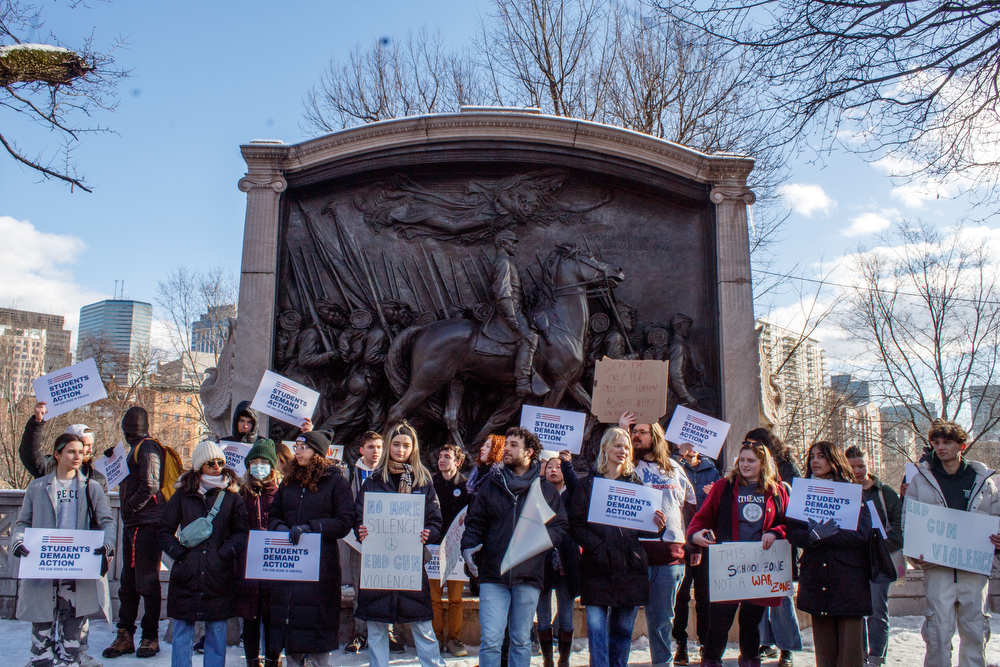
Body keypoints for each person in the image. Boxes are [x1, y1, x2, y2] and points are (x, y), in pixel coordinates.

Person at [461, 427, 569, 667]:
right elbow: (475, 522)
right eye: (506, 444)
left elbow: (560, 526)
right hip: (493, 575)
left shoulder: (545, 490)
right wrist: (468, 547)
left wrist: (540, 540)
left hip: (528, 576)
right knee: (490, 641)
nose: (506, 449)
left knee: (520, 641)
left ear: (529, 452)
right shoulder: (491, 486)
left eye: (513, 445)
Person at [13, 433, 116, 667]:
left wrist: (106, 546)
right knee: (41, 644)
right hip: (43, 571)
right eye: (71, 451)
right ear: (57, 455)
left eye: (80, 452)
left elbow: (108, 522)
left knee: (71, 643)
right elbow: (22, 523)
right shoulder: (37, 487)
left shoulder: (92, 488)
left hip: (76, 572)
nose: (77, 456)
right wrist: (19, 542)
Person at [906, 420, 1000, 667]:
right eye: (936, 443)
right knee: (937, 630)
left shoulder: (984, 481)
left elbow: (996, 519)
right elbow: (910, 521)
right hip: (937, 568)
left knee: (976, 628)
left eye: (947, 442)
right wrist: (916, 554)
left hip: (974, 569)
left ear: (962, 446)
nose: (940, 447)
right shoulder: (920, 480)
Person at [570, 427, 666, 667]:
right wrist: (598, 547)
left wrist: (658, 525)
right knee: (597, 632)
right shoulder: (587, 485)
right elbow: (576, 523)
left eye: (626, 447)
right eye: (618, 446)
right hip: (597, 567)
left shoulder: (636, 484)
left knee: (623, 632)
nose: (623, 451)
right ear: (605, 448)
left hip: (629, 568)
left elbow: (642, 528)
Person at [689, 440, 788, 667]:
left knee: (750, 623)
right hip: (728, 567)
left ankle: (751, 661)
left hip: (760, 568)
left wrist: (775, 531)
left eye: (751, 461)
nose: (744, 465)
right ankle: (711, 661)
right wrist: (695, 535)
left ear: (763, 464)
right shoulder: (723, 487)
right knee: (719, 623)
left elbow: (788, 524)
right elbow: (701, 519)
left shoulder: (776, 491)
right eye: (741, 460)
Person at [354, 422, 446, 667]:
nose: (400, 449)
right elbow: (358, 517)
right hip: (379, 566)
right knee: (376, 629)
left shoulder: (422, 482)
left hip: (411, 565)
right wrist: (360, 530)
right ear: (388, 447)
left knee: (423, 626)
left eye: (406, 445)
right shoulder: (372, 481)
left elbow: (435, 519)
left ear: (413, 448)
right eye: (396, 444)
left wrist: (430, 533)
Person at [268, 430, 355, 667]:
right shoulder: (289, 481)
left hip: (321, 566)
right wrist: (279, 528)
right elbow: (274, 514)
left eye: (303, 447)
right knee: (292, 630)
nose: (297, 452)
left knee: (317, 628)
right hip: (290, 564)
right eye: (296, 447)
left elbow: (344, 522)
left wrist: (311, 528)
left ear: (317, 452)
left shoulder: (335, 481)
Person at [158, 441, 249, 667]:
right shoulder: (182, 495)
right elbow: (164, 530)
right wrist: (179, 555)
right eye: (211, 462)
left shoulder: (232, 496)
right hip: (187, 573)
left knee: (217, 632)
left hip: (218, 574)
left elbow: (241, 532)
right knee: (182, 630)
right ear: (199, 466)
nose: (217, 466)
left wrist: (224, 555)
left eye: (220, 461)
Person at [785, 441, 872, 667]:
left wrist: (827, 535)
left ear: (833, 459)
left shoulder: (852, 491)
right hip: (816, 576)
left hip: (848, 579)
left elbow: (862, 533)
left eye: (821, 456)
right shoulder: (802, 492)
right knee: (824, 651)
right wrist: (812, 536)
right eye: (812, 456)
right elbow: (793, 532)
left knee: (850, 653)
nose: (814, 460)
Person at [618, 413, 694, 667]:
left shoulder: (675, 469)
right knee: (621, 620)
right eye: (633, 432)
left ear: (656, 436)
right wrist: (620, 431)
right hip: (632, 553)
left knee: (662, 620)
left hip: (670, 556)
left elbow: (690, 508)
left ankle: (663, 664)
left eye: (641, 431)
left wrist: (692, 545)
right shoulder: (626, 467)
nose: (636, 435)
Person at [104, 407, 164, 660]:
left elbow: (151, 484)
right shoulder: (138, 447)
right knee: (128, 581)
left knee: (146, 582)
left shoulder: (147, 448)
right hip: (136, 523)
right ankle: (125, 633)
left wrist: (129, 507)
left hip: (146, 523)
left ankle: (149, 636)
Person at [746, 428, 801, 667]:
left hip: (780, 541)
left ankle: (786, 647)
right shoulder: (747, 470)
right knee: (759, 594)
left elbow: (795, 507)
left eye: (753, 444)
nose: (748, 448)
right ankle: (766, 642)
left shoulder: (787, 468)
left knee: (781, 598)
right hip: (755, 541)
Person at [844, 445, 901, 667]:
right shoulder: (844, 491)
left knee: (878, 613)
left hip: (879, 561)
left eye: (862, 466)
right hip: (853, 562)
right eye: (853, 467)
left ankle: (877, 658)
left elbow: (899, 525)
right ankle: (859, 657)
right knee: (856, 613)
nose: (858, 471)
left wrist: (882, 545)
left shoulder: (884, 492)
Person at [671, 441, 721, 665]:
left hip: (706, 538)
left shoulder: (712, 471)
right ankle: (680, 643)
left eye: (695, 443)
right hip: (681, 537)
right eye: (686, 442)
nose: (691, 447)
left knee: (705, 595)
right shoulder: (671, 464)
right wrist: (679, 458)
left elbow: (723, 505)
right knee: (680, 596)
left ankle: (704, 643)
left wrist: (716, 495)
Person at [236, 439, 282, 667]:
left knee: (273, 618)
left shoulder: (281, 493)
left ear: (272, 466)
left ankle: (274, 659)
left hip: (275, 564)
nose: (259, 466)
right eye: (254, 461)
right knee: (250, 617)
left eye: (264, 462)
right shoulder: (240, 494)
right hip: (248, 564)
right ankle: (252, 660)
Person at [343, 431, 389, 654]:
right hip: (358, 540)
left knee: (387, 586)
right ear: (362, 450)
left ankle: (388, 632)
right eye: (371, 447)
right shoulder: (352, 473)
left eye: (379, 447)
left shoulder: (391, 472)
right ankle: (360, 632)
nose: (376, 451)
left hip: (387, 541)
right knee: (359, 587)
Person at [536, 451, 580, 667]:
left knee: (565, 613)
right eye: (550, 466)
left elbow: (577, 487)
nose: (554, 469)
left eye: (559, 467)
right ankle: (547, 659)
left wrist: (569, 465)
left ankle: (564, 659)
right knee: (542, 614)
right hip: (541, 562)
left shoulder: (570, 494)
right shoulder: (537, 492)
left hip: (566, 563)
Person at [430, 443, 471, 657]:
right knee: (434, 598)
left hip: (456, 548)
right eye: (440, 456)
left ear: (457, 462)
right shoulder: (430, 483)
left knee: (455, 598)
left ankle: (454, 639)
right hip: (434, 548)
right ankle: (436, 638)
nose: (442, 460)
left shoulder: (466, 486)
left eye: (447, 456)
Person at [20, 402, 108, 490]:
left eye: (91, 445)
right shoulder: (48, 469)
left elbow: (103, 504)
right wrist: (36, 423)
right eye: (86, 445)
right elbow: (29, 453)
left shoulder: (98, 479)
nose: (90, 450)